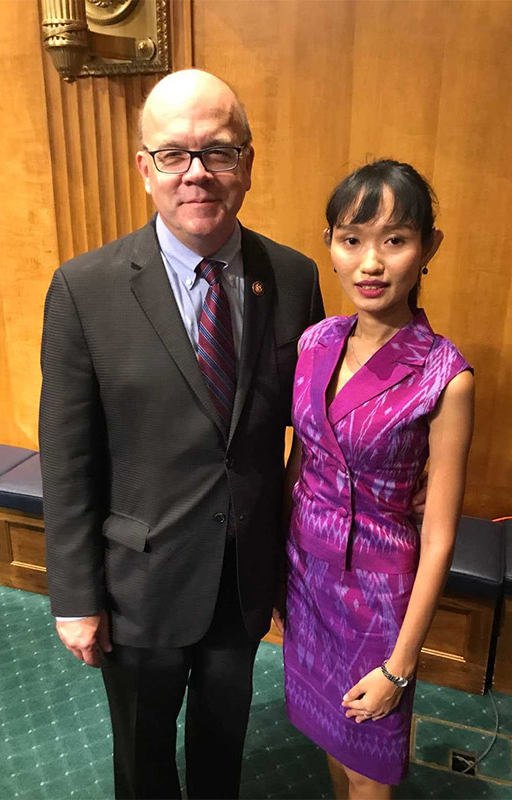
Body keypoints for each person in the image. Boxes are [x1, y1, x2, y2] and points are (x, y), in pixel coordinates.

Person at [38, 69, 326, 800]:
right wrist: (75, 596)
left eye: (218, 152)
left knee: (221, 747)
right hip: (140, 583)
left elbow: (312, 429)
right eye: (174, 154)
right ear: (145, 168)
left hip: (240, 578)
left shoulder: (291, 277)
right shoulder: (84, 289)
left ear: (248, 163)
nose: (197, 174)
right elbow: (70, 459)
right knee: (143, 756)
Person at [281, 160, 474, 799]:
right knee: (328, 738)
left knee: (371, 769)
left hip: (378, 597)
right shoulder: (316, 341)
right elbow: (300, 462)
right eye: (352, 238)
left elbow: (441, 535)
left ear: (428, 249)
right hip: (306, 578)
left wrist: (402, 663)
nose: (371, 262)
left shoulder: (445, 375)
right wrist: (274, 576)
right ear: (330, 248)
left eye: (395, 240)